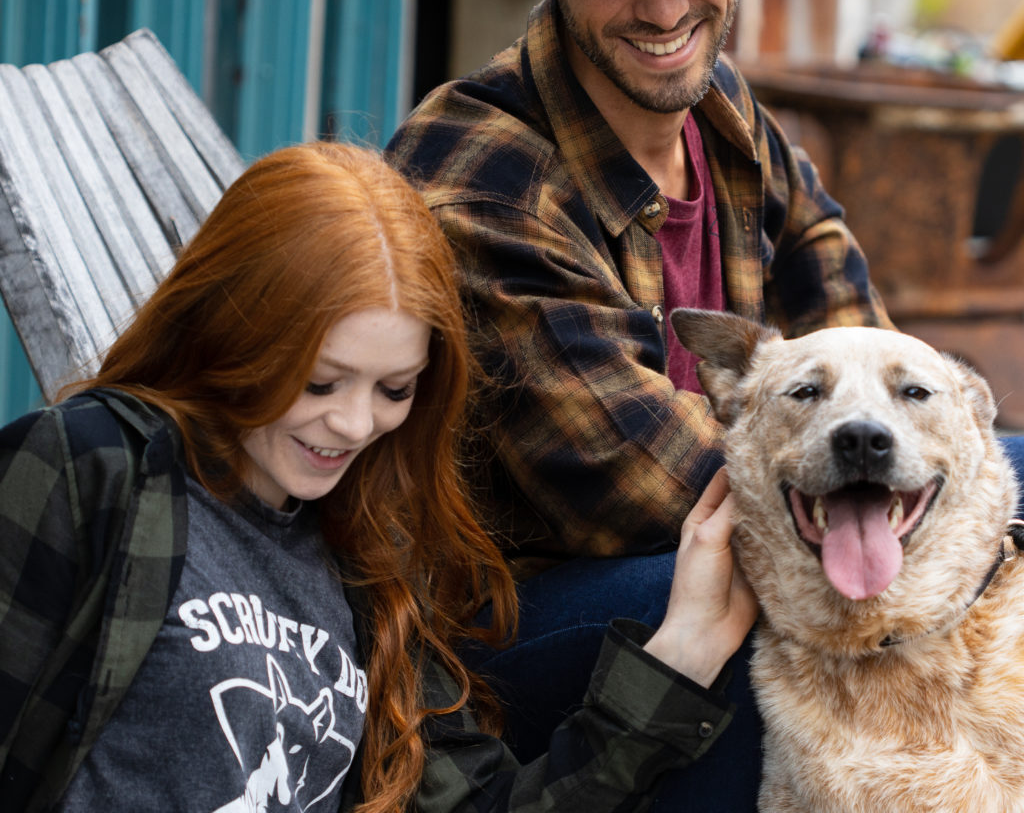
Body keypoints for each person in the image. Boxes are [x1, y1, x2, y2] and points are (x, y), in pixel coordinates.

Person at [384, 0, 902, 807]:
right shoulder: (482, 177)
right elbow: (650, 481)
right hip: (514, 623)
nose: (664, 8)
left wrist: (896, 451)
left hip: (711, 552)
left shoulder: (718, 107)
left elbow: (858, 337)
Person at [0, 141, 757, 813]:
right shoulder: (93, 469)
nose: (356, 425)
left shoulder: (370, 556)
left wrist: (679, 659)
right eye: (320, 383)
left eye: (394, 390)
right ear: (236, 334)